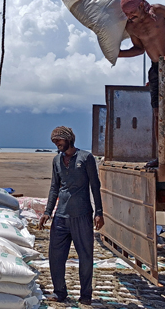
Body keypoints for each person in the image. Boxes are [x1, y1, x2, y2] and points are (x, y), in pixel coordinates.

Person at [118, 0, 165, 168]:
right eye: (127, 15)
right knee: (159, 113)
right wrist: (118, 54)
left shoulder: (158, 11)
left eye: (133, 12)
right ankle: (162, 156)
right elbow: (138, 49)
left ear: (142, 5)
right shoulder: (131, 27)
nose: (130, 17)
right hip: (156, 68)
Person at [39, 126, 104, 305]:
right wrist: (47, 212)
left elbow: (95, 186)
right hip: (61, 217)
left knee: (85, 257)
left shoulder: (86, 158)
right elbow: (54, 188)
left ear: (68, 139)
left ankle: (85, 296)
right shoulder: (56, 160)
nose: (57, 144)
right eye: (54, 142)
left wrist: (99, 212)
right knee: (55, 257)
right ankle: (60, 292)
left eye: (59, 140)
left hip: (82, 215)